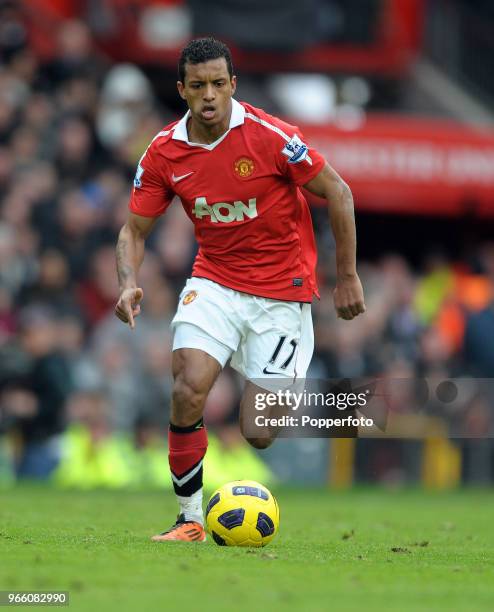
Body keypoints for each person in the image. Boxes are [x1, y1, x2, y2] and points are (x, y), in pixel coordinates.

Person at [114, 38, 365, 542]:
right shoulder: (164, 152)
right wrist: (129, 283)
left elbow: (338, 191)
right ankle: (188, 519)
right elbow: (133, 231)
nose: (209, 95)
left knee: (259, 432)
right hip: (215, 281)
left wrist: (348, 276)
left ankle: (284, 384)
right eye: (198, 85)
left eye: (217, 84)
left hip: (283, 293)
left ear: (233, 85)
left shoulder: (272, 137)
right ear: (182, 90)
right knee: (187, 385)